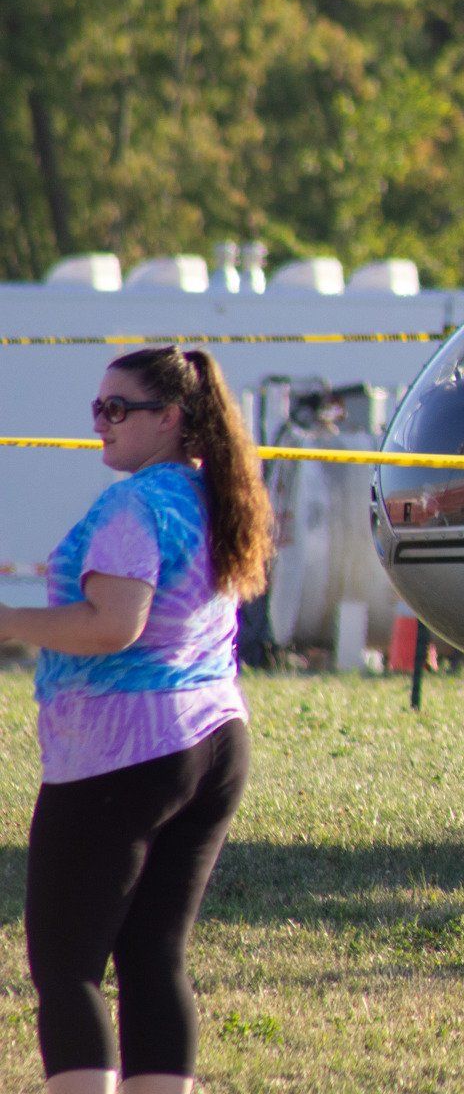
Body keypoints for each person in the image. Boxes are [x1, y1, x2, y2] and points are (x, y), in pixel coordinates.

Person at [4, 346, 273, 1094]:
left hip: (125, 749)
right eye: (98, 408)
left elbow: (113, 625)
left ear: (171, 418)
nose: (101, 422)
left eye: (117, 408)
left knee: (68, 966)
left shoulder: (135, 505)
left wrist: (9, 622)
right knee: (155, 955)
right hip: (216, 740)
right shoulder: (216, 494)